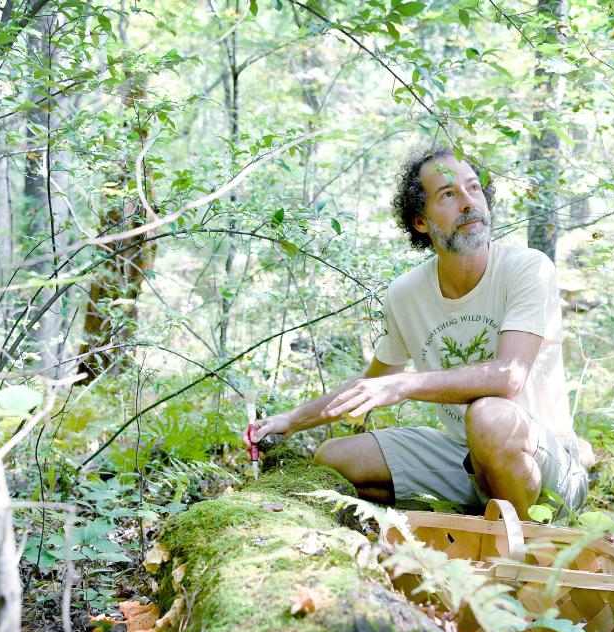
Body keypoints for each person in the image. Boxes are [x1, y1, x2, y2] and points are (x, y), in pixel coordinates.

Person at [244, 145, 590, 519]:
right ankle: (479, 515)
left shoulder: (527, 268)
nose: (468, 202)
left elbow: (509, 376)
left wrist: (404, 385)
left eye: (474, 188)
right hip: (464, 458)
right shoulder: (406, 294)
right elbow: (373, 382)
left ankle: (527, 543)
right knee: (333, 458)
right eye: (448, 195)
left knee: (489, 416)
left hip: (547, 467)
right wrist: (291, 421)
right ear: (420, 221)